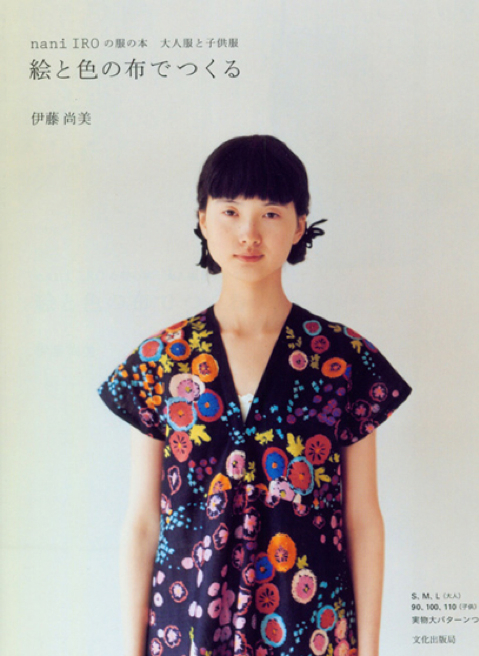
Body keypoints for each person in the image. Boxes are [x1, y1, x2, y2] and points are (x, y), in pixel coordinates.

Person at [99, 135, 412, 656]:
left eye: (270, 213)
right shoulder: (161, 362)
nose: (248, 233)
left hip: (311, 629)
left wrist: (371, 649)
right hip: (186, 629)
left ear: (299, 226)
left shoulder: (343, 360)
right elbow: (143, 522)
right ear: (202, 219)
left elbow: (362, 518)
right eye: (230, 211)